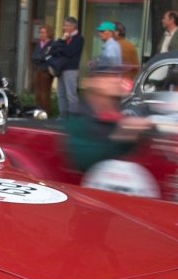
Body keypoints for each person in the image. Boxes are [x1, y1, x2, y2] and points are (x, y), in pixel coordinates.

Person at [62, 64, 156, 196]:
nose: (116, 80)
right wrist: (121, 136)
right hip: (89, 198)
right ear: (94, 82)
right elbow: (82, 159)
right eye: (108, 76)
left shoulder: (120, 112)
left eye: (118, 76)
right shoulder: (79, 116)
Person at [47, 16, 84, 116]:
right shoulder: (64, 38)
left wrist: (60, 48)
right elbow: (53, 50)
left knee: (71, 94)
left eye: (66, 25)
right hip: (60, 69)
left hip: (71, 69)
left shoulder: (79, 39)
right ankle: (62, 115)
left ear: (73, 26)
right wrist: (62, 40)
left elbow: (69, 52)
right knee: (61, 94)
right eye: (64, 25)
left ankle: (73, 117)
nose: (64, 27)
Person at [30, 25, 54, 114]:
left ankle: (46, 112)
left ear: (48, 33)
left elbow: (46, 57)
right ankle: (38, 111)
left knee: (45, 93)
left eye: (43, 32)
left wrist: (41, 58)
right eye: (40, 32)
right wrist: (40, 58)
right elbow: (34, 56)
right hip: (37, 70)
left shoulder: (52, 44)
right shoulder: (38, 44)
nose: (41, 34)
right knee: (37, 93)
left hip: (46, 71)